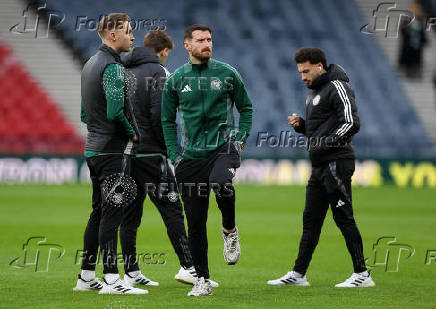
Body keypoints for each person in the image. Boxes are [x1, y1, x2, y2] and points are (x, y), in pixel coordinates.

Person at [268, 47, 375, 288]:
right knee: (311, 220)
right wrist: (302, 126)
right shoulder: (315, 92)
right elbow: (322, 129)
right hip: (320, 165)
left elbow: (351, 122)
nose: (302, 76)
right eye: (300, 72)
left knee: (343, 216)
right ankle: (298, 274)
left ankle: (363, 275)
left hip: (337, 162)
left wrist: (325, 143)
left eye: (305, 71)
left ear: (319, 66)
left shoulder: (338, 86)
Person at [161, 24, 253, 296]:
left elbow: (246, 107)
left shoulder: (227, 73)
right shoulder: (176, 80)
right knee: (195, 222)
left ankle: (229, 229)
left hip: (222, 147)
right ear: (187, 45)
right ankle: (202, 279)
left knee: (222, 182)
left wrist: (240, 139)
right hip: (189, 157)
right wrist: (174, 155)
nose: (207, 44)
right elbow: (167, 120)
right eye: (200, 40)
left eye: (210, 39)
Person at [122, 30, 218, 288]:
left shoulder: (123, 70)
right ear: (163, 51)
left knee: (131, 212)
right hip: (153, 153)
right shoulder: (160, 73)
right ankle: (189, 267)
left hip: (127, 153)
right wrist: (170, 150)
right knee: (173, 209)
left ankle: (130, 271)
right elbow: (159, 116)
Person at [73, 13, 148, 295]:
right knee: (112, 214)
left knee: (98, 212)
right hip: (113, 151)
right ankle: (113, 280)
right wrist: (132, 132)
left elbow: (84, 113)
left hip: (93, 148)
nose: (133, 36)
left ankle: (86, 276)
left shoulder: (89, 64)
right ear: (113, 35)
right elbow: (115, 111)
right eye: (129, 31)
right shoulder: (114, 68)